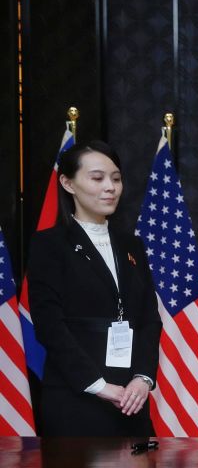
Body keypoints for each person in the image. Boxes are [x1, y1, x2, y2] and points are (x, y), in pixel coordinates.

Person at [27, 140, 161, 436]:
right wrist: (98, 386)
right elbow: (49, 326)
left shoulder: (132, 245)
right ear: (68, 183)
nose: (110, 187)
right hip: (75, 399)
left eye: (116, 178)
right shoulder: (49, 245)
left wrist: (143, 378)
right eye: (97, 178)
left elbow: (149, 319)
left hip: (131, 399)